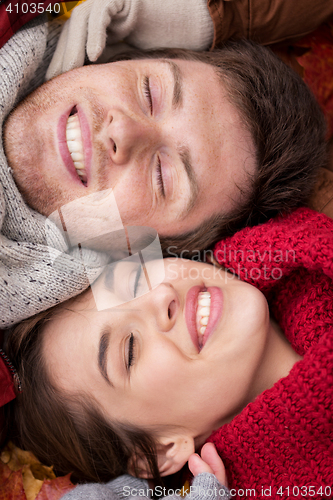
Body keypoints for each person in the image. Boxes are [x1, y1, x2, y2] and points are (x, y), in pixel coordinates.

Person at [5, 206, 333, 499]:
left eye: (135, 279)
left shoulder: (304, 241)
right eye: (129, 349)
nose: (161, 295)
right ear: (162, 451)